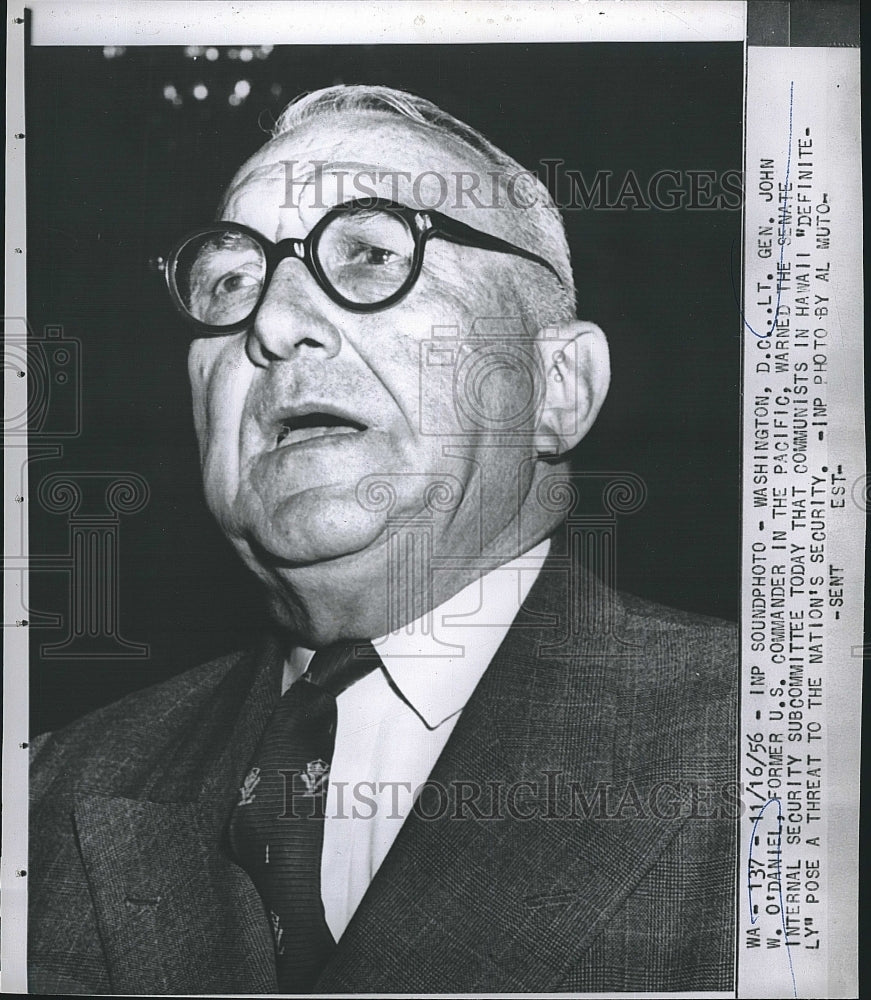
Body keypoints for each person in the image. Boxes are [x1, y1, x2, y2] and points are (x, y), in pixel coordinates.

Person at [29, 84, 737, 995]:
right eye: (229, 281)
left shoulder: (779, 748)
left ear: (556, 386)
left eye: (368, 253)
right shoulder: (49, 788)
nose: (273, 324)